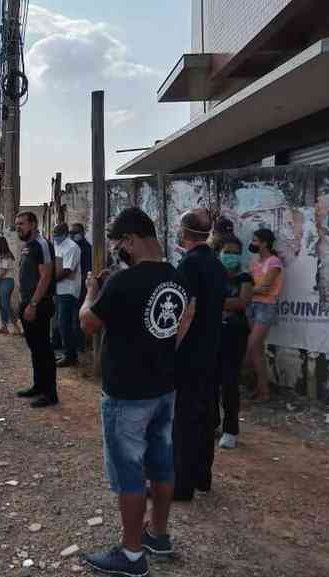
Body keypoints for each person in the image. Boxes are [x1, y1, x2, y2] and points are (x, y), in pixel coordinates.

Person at [80, 207, 193, 577]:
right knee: (161, 465)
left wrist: (88, 293)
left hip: (127, 394)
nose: (118, 252)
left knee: (129, 474)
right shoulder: (177, 278)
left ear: (130, 240)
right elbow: (182, 322)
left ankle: (130, 556)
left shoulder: (121, 283)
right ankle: (158, 535)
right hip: (163, 388)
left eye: (119, 245)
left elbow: (89, 325)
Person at [172, 208, 228, 502]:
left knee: (183, 419)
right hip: (211, 350)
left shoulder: (189, 265)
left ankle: (182, 485)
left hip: (191, 353)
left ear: (184, 233)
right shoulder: (216, 265)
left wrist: (172, 348)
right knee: (206, 415)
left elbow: (187, 312)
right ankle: (202, 477)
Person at [14, 210, 58, 408]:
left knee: (44, 349)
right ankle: (38, 386)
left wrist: (33, 304)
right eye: (17, 224)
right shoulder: (28, 246)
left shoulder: (42, 244)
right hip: (28, 302)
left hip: (39, 303)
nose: (18, 227)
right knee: (35, 348)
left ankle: (50, 394)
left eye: (22, 224)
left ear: (33, 224)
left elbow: (46, 276)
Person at [216, 236, 253, 449]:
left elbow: (243, 301)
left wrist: (215, 302)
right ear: (219, 252)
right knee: (210, 382)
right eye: (227, 251)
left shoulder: (244, 278)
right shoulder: (215, 276)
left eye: (235, 252)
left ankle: (230, 430)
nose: (231, 256)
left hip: (235, 335)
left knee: (229, 383)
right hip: (214, 334)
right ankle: (212, 423)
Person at [244, 228, 284, 402]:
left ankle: (262, 390)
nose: (252, 243)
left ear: (264, 243)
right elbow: (253, 286)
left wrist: (245, 293)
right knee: (257, 351)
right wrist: (249, 292)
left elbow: (265, 287)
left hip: (266, 306)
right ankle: (263, 390)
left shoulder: (274, 262)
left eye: (255, 240)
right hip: (253, 305)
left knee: (252, 345)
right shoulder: (254, 261)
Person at [52, 223, 81, 367]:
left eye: (57, 234)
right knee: (57, 321)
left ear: (65, 234)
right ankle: (61, 350)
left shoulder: (72, 247)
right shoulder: (58, 245)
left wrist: (51, 281)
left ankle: (71, 356)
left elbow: (67, 270)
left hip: (69, 290)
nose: (55, 237)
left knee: (65, 323)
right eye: (54, 234)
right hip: (58, 289)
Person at [0, 235, 21, 335]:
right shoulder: (0, 255)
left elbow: (3, 271)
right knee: (1, 304)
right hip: (1, 281)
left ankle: (16, 325)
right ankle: (4, 326)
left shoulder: (6, 255)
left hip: (6, 281)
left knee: (5, 304)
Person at [70, 222, 92, 351]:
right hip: (75, 286)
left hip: (82, 287)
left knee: (78, 317)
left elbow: (87, 269)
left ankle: (80, 345)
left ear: (82, 233)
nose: (72, 235)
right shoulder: (75, 247)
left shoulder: (86, 248)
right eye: (70, 233)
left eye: (75, 233)